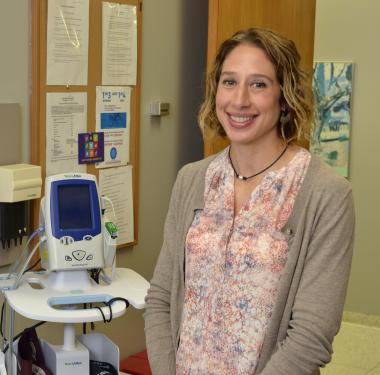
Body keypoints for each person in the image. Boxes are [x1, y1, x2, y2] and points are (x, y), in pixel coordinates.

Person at [144, 27, 355, 375]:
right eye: (229, 82)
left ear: (284, 96)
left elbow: (311, 336)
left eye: (258, 84)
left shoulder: (326, 194)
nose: (239, 100)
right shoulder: (192, 180)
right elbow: (161, 299)